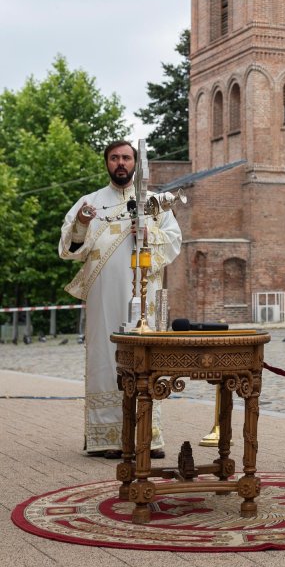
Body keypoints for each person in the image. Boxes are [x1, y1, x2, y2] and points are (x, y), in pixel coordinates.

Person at [59, 141, 182, 458]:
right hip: (103, 299)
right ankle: (108, 437)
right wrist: (83, 224)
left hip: (145, 297)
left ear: (136, 163)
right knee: (105, 359)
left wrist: (148, 234)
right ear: (107, 164)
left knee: (145, 359)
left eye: (126, 157)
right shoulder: (90, 203)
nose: (121, 163)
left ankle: (147, 436)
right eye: (114, 158)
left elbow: (174, 241)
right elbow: (69, 248)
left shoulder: (153, 202)